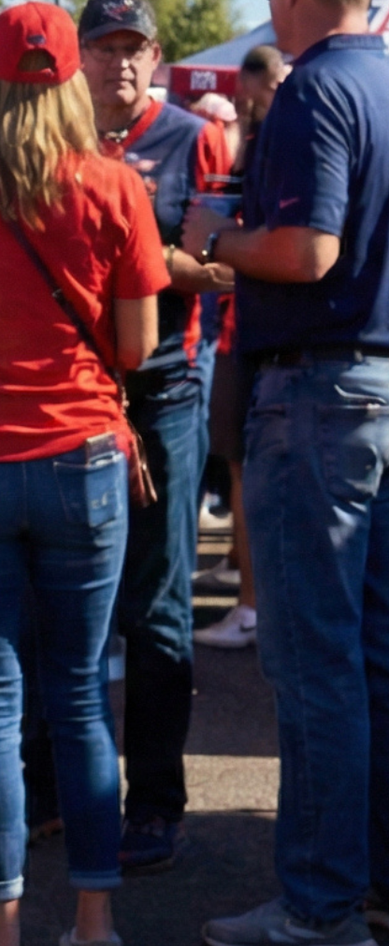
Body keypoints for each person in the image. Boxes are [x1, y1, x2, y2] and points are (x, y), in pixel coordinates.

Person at [0, 3, 163, 946]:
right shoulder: (115, 184)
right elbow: (135, 348)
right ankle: (94, 927)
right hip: (81, 456)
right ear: (72, 79)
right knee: (76, 694)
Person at [182, 0, 389, 946]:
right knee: (368, 654)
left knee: (314, 664)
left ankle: (316, 903)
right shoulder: (380, 77)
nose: (267, 3)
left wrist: (213, 235)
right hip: (370, 387)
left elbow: (305, 251)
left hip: (320, 390)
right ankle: (361, 880)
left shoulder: (316, 84)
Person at [78, 0, 232, 871]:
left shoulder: (187, 136)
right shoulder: (56, 136)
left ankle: (157, 802)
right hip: (81, 390)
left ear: (157, 56)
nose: (119, 63)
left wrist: (138, 241)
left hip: (165, 388)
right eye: (103, 48)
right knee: (67, 607)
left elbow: (219, 265)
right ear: (81, 58)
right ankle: (61, 794)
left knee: (157, 604)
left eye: (133, 48)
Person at [194, 44, 288, 649]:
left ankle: (252, 605)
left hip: (250, 336)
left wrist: (217, 240)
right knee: (243, 473)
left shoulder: (272, 145)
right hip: (252, 335)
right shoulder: (266, 142)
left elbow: (295, 250)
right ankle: (250, 591)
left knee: (246, 474)